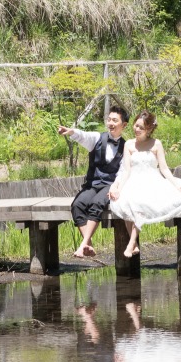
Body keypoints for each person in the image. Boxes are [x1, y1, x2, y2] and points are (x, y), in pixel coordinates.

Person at [108, 110, 181, 258]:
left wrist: (176, 184)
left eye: (141, 127)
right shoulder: (129, 144)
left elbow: (164, 169)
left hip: (152, 182)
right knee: (126, 201)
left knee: (139, 204)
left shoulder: (156, 144)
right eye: (136, 126)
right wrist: (118, 188)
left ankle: (131, 243)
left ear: (148, 129)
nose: (136, 129)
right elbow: (126, 171)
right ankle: (133, 244)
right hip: (133, 181)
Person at [58, 105, 129, 258]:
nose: (110, 123)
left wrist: (115, 187)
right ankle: (87, 244)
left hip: (109, 185)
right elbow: (83, 136)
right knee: (77, 205)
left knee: (97, 203)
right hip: (92, 184)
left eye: (115, 120)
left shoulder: (126, 147)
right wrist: (71, 132)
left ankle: (83, 244)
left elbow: (123, 171)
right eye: (109, 119)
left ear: (124, 125)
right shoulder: (97, 138)